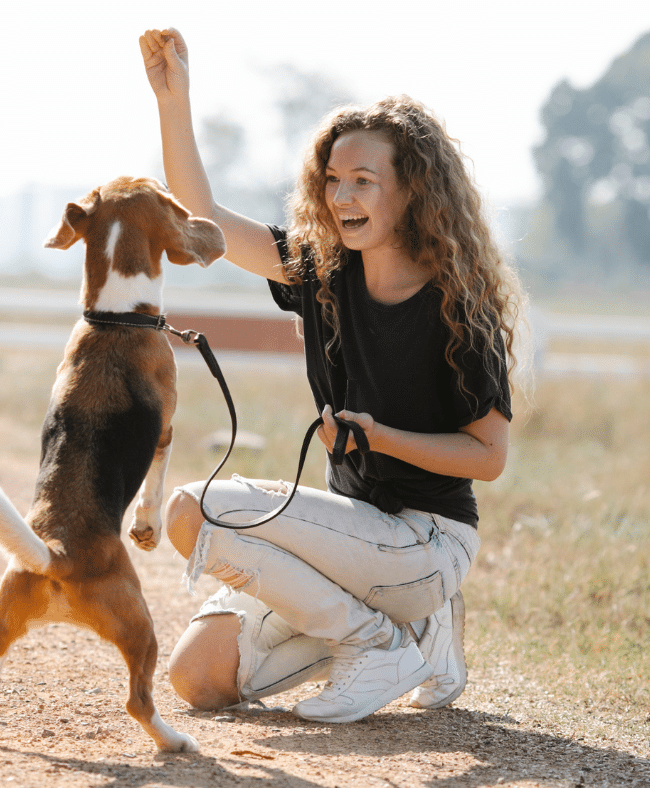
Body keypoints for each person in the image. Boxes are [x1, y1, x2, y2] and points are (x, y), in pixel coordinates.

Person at [139, 27, 524, 723]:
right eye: (333, 180)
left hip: (426, 542)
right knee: (198, 680)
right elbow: (206, 220)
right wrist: (174, 101)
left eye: (364, 181)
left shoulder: (458, 308)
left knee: (192, 509)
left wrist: (381, 437)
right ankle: (413, 637)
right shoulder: (321, 272)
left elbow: (489, 457)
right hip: (351, 542)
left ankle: (378, 640)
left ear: (412, 193)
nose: (342, 195)